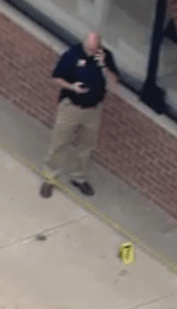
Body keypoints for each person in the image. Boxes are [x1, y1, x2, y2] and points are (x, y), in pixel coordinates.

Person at [40, 31, 119, 198]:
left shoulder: (106, 56)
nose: (91, 51)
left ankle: (78, 177)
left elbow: (114, 82)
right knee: (59, 143)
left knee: (86, 147)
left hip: (93, 110)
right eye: (89, 48)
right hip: (71, 107)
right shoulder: (72, 55)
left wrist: (104, 66)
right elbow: (56, 78)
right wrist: (72, 87)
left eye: (94, 48)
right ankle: (50, 178)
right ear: (84, 44)